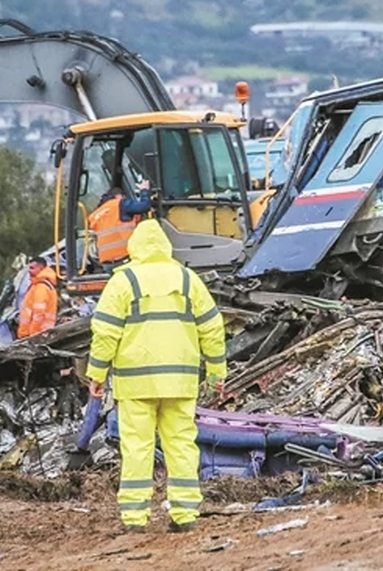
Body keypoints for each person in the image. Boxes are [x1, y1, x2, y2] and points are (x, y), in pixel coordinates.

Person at [86, 219, 226, 533]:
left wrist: (96, 374)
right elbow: (213, 329)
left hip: (136, 383)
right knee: (181, 445)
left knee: (137, 447)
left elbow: (105, 332)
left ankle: (135, 519)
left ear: (134, 247)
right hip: (180, 382)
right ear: (165, 245)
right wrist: (216, 373)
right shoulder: (188, 279)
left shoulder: (124, 282)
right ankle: (185, 515)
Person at [88, 180, 152, 267]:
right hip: (124, 258)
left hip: (106, 262)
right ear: (118, 196)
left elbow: (119, 223)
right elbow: (144, 206)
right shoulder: (120, 204)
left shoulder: (95, 215)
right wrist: (144, 191)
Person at [17, 256, 59, 339]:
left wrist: (33, 334)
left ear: (41, 268)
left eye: (32, 268)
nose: (29, 271)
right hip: (40, 333)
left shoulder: (41, 287)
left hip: (37, 334)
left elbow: (39, 314)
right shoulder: (40, 285)